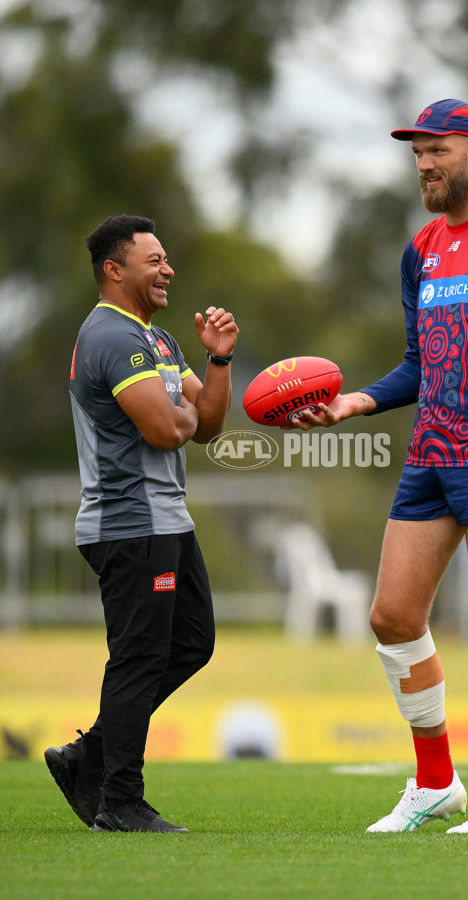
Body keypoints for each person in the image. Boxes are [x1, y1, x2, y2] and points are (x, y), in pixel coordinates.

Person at [289, 99, 468, 833]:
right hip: (431, 452)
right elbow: (420, 363)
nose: (424, 165)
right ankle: (437, 783)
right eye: (416, 155)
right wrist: (356, 403)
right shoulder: (422, 248)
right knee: (392, 615)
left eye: (436, 151)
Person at [44, 215, 239, 832]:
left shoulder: (156, 340)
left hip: (165, 520)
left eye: (165, 259)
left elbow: (204, 426)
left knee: (192, 642)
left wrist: (217, 361)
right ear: (114, 269)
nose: (167, 269)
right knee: (138, 658)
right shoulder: (109, 336)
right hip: (129, 525)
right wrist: (181, 412)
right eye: (153, 260)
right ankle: (120, 803)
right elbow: (165, 428)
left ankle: (90, 755)